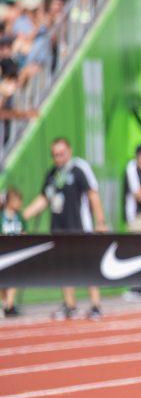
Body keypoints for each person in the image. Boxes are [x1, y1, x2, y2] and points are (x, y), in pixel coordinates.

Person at [22, 137, 107, 319]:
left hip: (80, 227)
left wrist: (100, 221)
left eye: (61, 153)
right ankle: (70, 305)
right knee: (64, 267)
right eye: (55, 155)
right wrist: (22, 217)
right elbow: (44, 198)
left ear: (69, 150)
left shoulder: (79, 168)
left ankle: (95, 305)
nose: (58, 158)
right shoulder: (52, 174)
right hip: (59, 228)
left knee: (88, 265)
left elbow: (93, 193)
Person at [2, 186, 25, 317]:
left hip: (15, 254)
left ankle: (9, 305)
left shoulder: (19, 217)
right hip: (3, 254)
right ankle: (5, 303)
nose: (19, 203)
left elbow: (23, 231)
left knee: (14, 279)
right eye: (17, 200)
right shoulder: (2, 217)